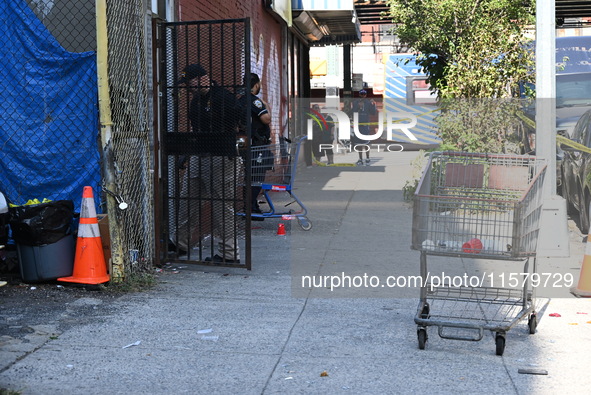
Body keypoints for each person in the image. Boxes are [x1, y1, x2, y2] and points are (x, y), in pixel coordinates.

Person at [172, 63, 242, 264]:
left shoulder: (223, 97)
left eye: (190, 82)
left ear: (202, 78)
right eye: (186, 84)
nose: (189, 87)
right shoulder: (196, 103)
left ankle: (230, 254)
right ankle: (180, 244)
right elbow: (197, 131)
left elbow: (235, 120)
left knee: (222, 206)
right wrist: (188, 153)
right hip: (200, 155)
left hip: (222, 156)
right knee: (188, 199)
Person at [239, 73, 272, 215]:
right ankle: (251, 208)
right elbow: (266, 119)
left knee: (249, 178)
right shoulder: (255, 101)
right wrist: (265, 106)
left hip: (246, 145)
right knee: (257, 178)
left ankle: (250, 206)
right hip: (256, 146)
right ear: (257, 84)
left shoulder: (240, 100)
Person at [351, 89, 376, 166]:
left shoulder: (368, 102)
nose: (363, 96)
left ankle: (367, 158)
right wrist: (358, 107)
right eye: (361, 94)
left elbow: (373, 113)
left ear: (366, 95)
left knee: (366, 143)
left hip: (365, 126)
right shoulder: (355, 102)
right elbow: (352, 112)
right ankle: (360, 159)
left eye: (364, 94)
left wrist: (373, 105)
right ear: (359, 94)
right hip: (358, 125)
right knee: (359, 144)